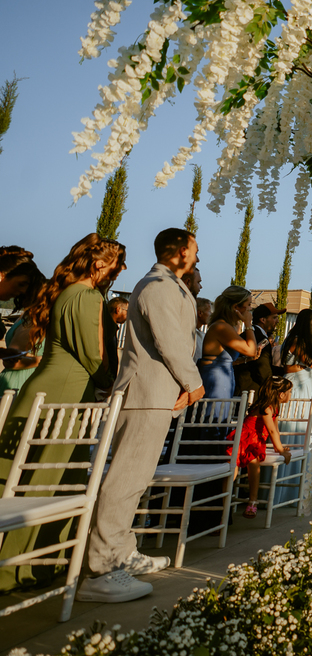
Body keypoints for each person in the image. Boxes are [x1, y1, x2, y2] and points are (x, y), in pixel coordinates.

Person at [79, 228, 204, 604]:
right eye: (196, 251)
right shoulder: (158, 286)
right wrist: (194, 383)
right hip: (145, 393)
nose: (198, 258)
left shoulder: (168, 284)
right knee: (125, 481)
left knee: (136, 479)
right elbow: (170, 341)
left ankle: (121, 552)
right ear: (181, 251)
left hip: (156, 393)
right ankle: (100, 570)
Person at [0, 234, 124, 593]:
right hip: (64, 393)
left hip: (55, 388)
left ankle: (37, 564)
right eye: (117, 265)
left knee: (42, 477)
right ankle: (23, 568)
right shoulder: (86, 296)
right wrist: (110, 383)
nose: (119, 272)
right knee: (47, 481)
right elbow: (92, 354)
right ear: (100, 264)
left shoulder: (67, 291)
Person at [229, 376, 293, 520]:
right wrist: (282, 451)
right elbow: (270, 430)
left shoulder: (275, 407)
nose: (290, 395)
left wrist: (279, 447)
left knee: (253, 461)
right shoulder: (266, 407)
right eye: (289, 392)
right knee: (239, 465)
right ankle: (227, 500)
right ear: (281, 394)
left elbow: (275, 430)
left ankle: (252, 500)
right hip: (244, 440)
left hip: (255, 442)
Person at [198, 286, 263, 401]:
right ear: (236, 307)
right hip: (216, 380)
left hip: (224, 377)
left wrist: (244, 360)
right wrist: (248, 323)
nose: (250, 309)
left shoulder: (227, 326)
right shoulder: (221, 327)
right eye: (248, 304)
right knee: (215, 416)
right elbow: (251, 350)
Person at [0, 263, 48, 390]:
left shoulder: (27, 317)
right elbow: (13, 362)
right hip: (18, 383)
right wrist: (47, 361)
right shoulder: (32, 320)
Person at [234, 301, 279, 399]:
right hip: (250, 392)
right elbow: (262, 369)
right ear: (263, 319)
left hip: (242, 390)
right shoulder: (260, 338)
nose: (277, 321)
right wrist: (273, 388)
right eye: (274, 318)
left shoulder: (251, 334)